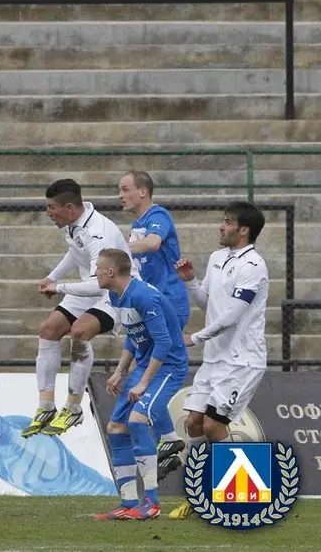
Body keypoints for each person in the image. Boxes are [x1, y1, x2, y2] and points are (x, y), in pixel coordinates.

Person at [167, 201, 268, 520]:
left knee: (214, 424)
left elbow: (234, 315)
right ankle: (197, 495)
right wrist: (190, 282)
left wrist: (195, 338)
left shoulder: (253, 265)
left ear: (244, 230)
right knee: (193, 422)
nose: (221, 226)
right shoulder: (217, 258)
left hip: (242, 360)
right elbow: (209, 304)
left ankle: (243, 496)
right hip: (215, 358)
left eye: (227, 222)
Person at [26, 178, 135, 438]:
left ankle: (73, 407)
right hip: (91, 285)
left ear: (69, 208)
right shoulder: (74, 223)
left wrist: (59, 287)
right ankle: (46, 406)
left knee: (79, 331)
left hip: (115, 292)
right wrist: (52, 277)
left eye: (52, 207)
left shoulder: (99, 233)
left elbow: (99, 285)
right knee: (49, 330)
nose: (48, 213)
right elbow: (75, 253)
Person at [92, 249, 188, 520]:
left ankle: (152, 503)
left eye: (98, 267)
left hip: (168, 365)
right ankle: (128, 502)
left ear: (111, 272)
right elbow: (133, 335)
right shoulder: (117, 295)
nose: (95, 272)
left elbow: (164, 342)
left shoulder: (144, 296)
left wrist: (143, 382)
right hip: (146, 364)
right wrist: (120, 372)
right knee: (116, 428)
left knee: (136, 421)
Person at [118, 171, 190, 475]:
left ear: (143, 192)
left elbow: (153, 243)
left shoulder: (157, 216)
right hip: (152, 301)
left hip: (170, 300)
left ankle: (169, 438)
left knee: (158, 366)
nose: (120, 195)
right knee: (144, 367)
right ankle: (170, 439)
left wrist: (119, 249)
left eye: (125, 189)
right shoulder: (136, 225)